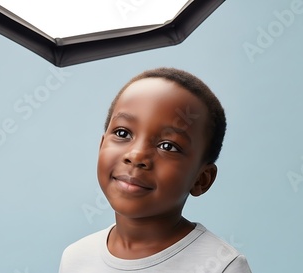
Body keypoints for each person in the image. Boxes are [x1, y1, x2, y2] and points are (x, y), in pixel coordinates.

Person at [59, 67, 252, 272]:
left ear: (201, 179)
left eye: (168, 146)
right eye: (123, 133)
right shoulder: (76, 258)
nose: (136, 155)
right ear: (101, 145)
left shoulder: (222, 265)